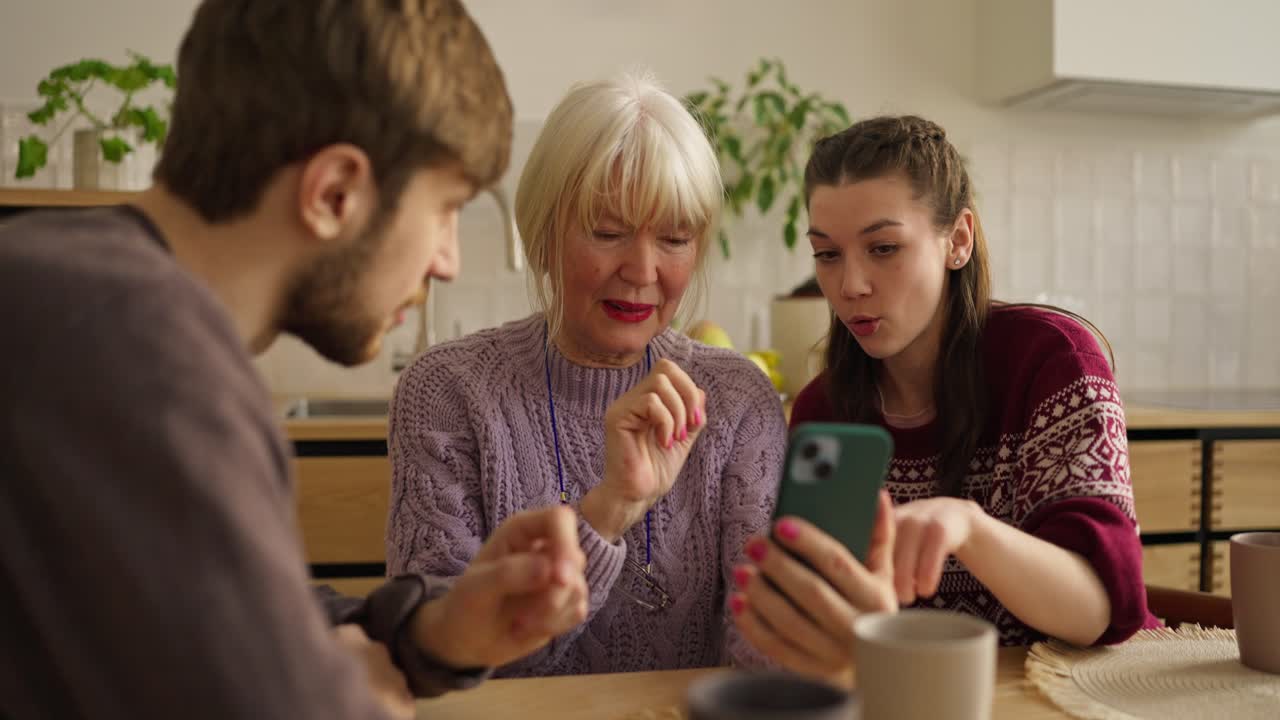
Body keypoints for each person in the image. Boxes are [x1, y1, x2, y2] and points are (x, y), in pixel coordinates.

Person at [0, 1, 589, 718]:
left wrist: (431, 633)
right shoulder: (148, 357)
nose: (448, 261)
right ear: (334, 192)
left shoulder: (69, 286)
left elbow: (239, 616)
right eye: (444, 209)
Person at [731, 115, 1160, 683]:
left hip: (1084, 695)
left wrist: (970, 527)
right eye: (827, 254)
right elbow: (832, 641)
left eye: (883, 248)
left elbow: (1101, 608)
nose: (850, 285)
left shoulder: (1052, 360)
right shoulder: (824, 412)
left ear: (958, 239)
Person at [386, 72, 787, 676]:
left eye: (675, 238)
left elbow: (761, 658)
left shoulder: (736, 400)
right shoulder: (447, 393)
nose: (642, 269)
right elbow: (442, 666)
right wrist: (609, 511)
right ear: (543, 233)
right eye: (607, 232)